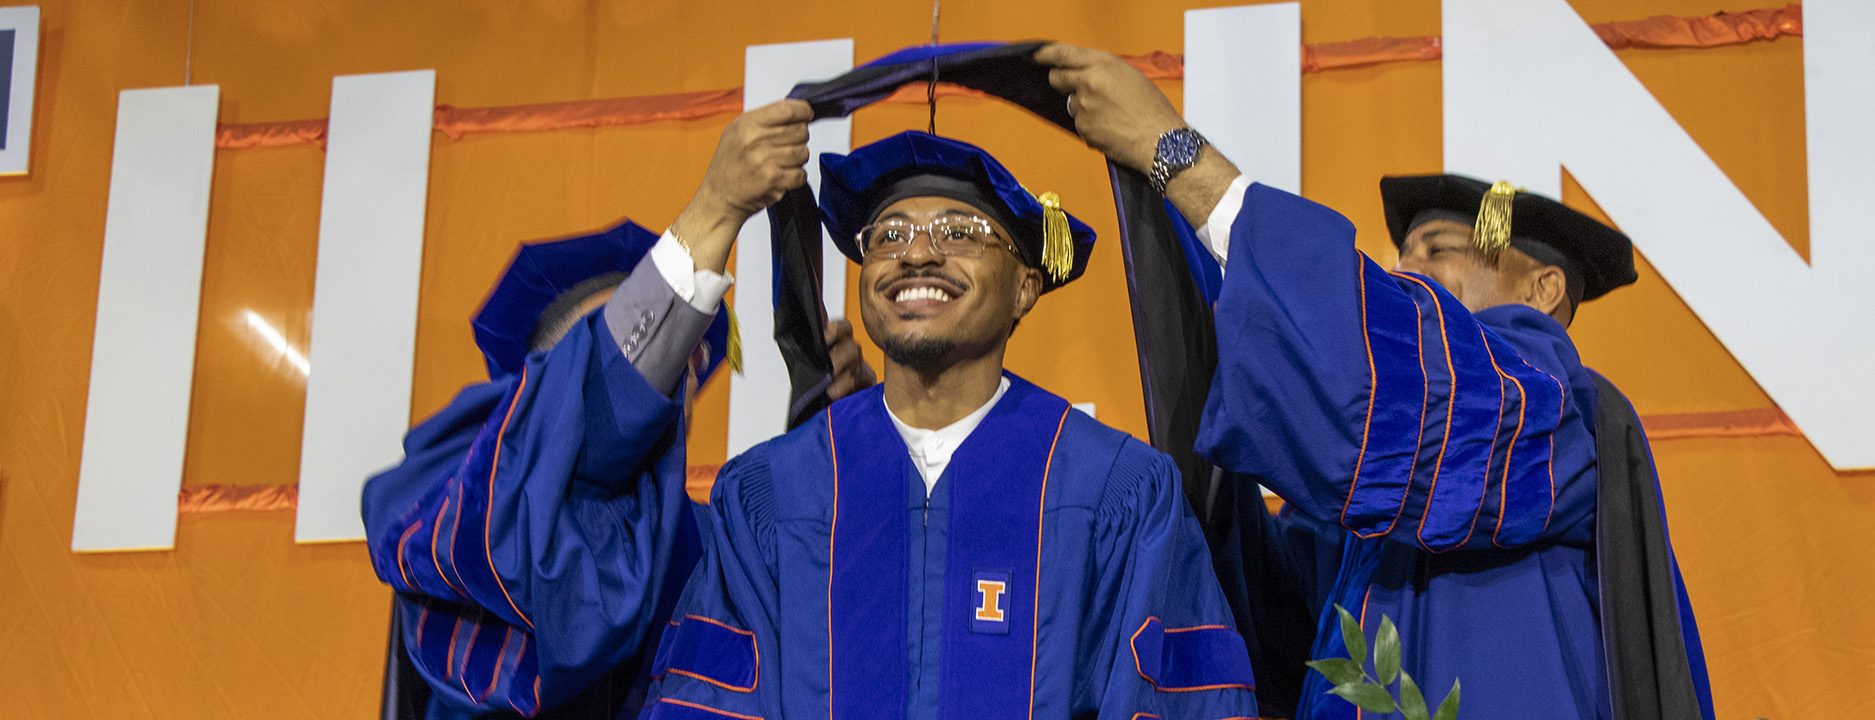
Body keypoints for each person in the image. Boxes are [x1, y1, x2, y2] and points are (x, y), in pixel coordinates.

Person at [1038, 44, 1713, 720]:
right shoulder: (1393, 496)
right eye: (1402, 254)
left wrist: (1175, 156)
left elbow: (1393, 381)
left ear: (1543, 288)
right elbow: (1281, 620)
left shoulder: (1554, 408)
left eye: (1440, 250)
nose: (1405, 269)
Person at [636, 130, 1257, 720]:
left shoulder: (1116, 489)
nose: (917, 254)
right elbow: (706, 699)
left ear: (1025, 287)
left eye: (960, 232)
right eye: (888, 235)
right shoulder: (772, 493)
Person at [361, 99, 875, 719]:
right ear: (537, 388)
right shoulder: (444, 496)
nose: (670, 368)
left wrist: (837, 442)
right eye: (618, 338)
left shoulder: (715, 539)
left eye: (684, 357)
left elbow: (818, 631)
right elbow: (587, 432)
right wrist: (713, 210)